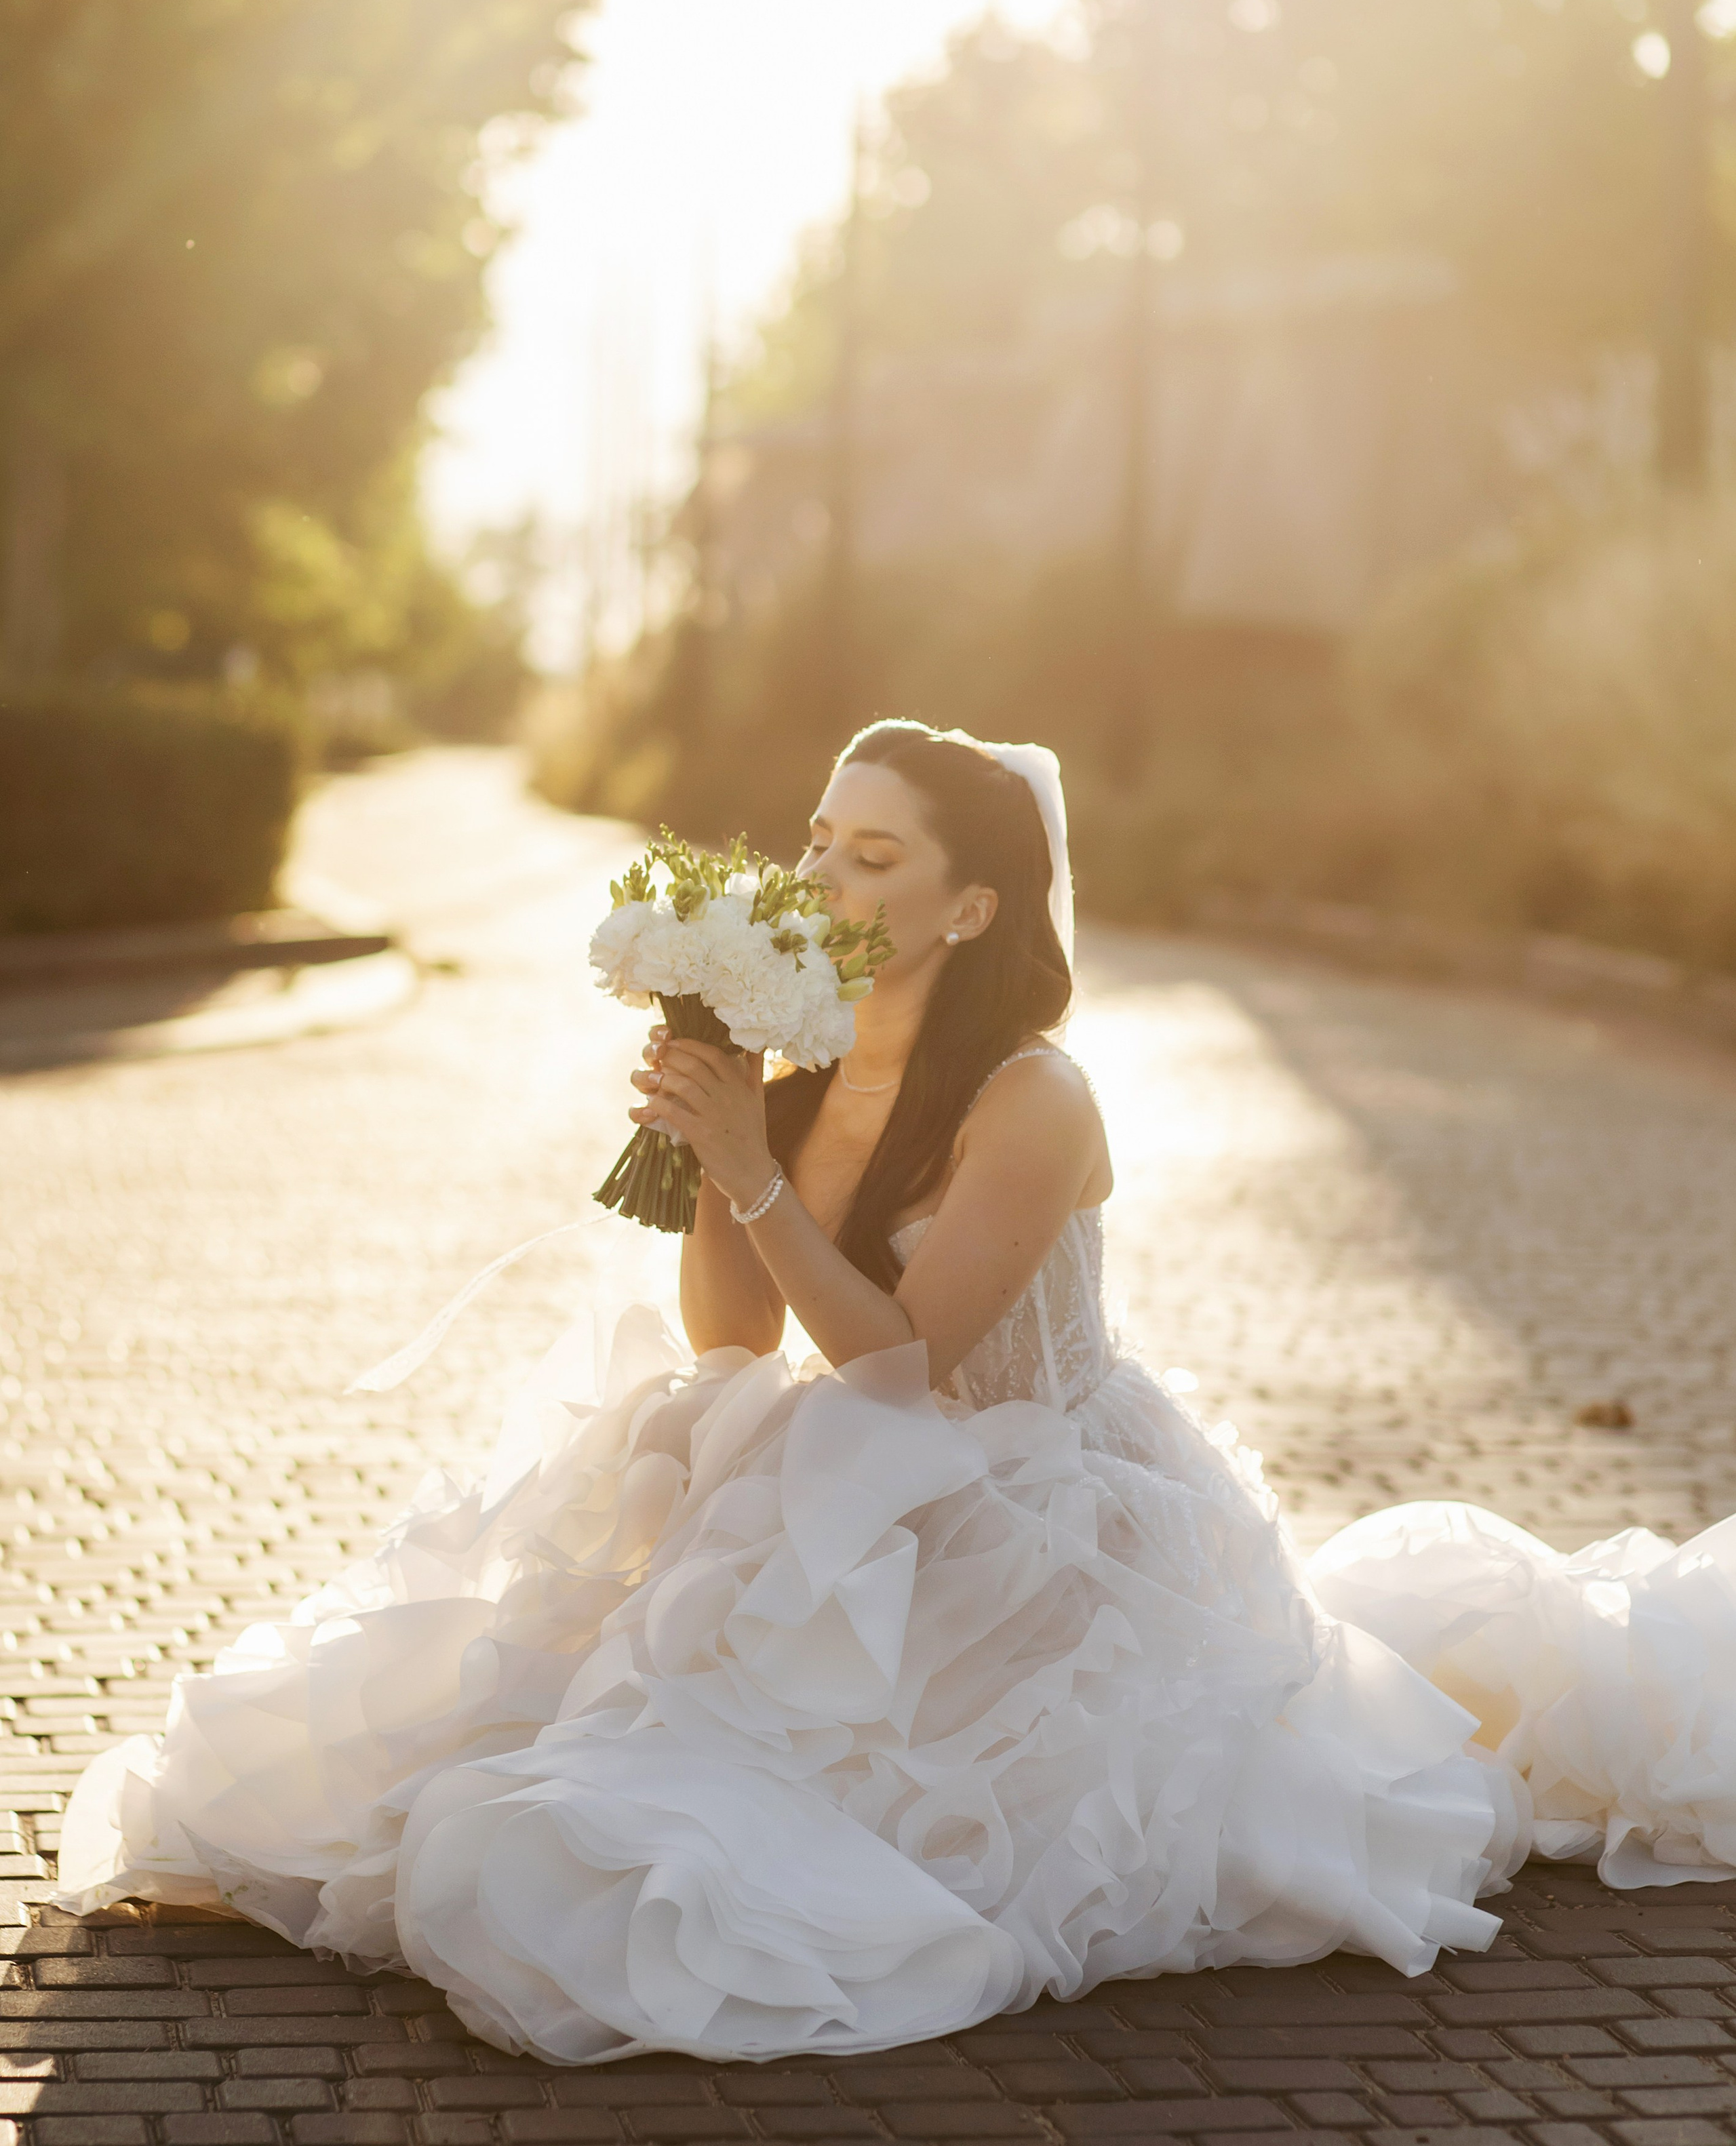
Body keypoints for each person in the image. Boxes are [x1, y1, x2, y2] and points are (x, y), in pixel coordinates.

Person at [54, 721, 1736, 2067]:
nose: (824, 876)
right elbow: (731, 1332)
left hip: (1034, 1508)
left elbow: (901, 1364)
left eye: (875, 856)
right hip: (872, 1478)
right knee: (627, 1528)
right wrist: (714, 1135)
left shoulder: (1032, 1098)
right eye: (815, 840)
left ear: (968, 907)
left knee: (797, 1806)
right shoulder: (800, 1070)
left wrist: (750, 1169)